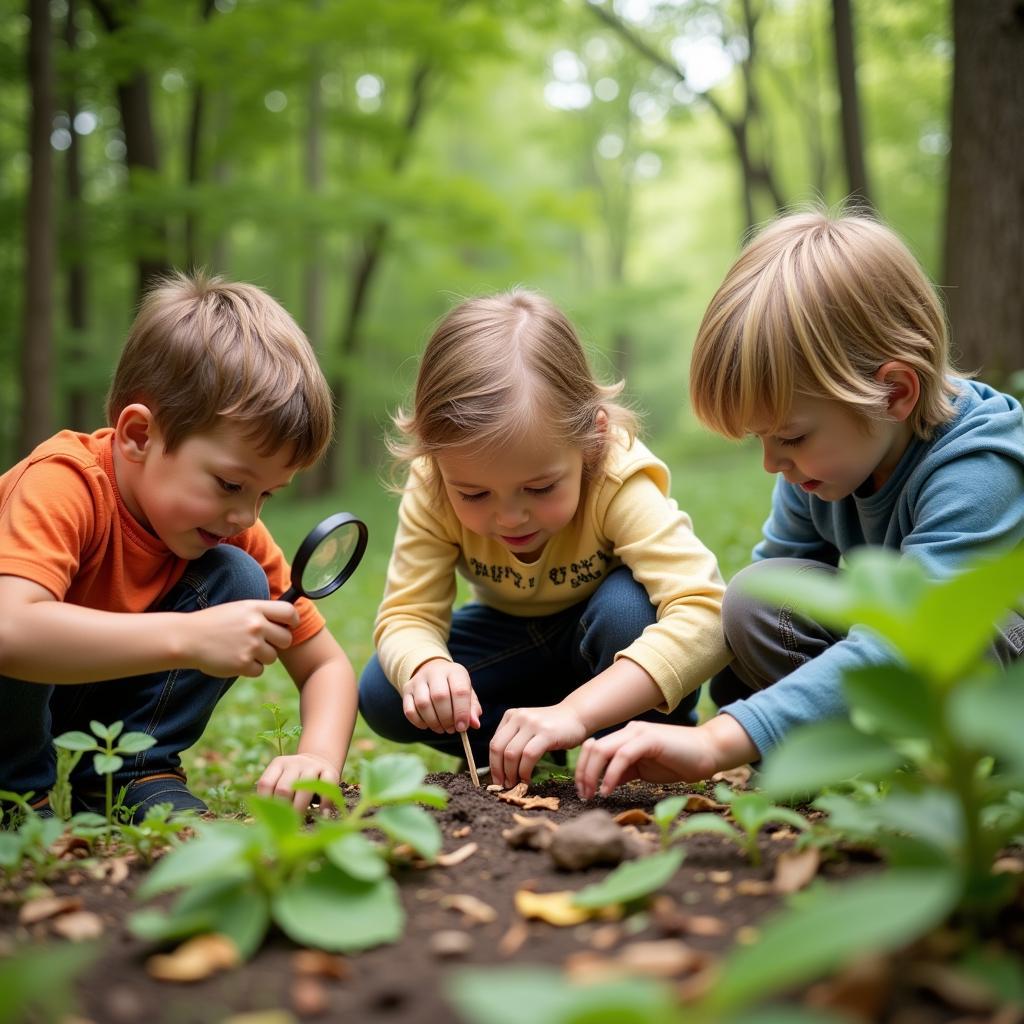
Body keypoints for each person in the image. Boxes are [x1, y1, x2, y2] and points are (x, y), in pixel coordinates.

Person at [575, 209, 1024, 800]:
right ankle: (846, 761)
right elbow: (752, 619)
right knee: (758, 597)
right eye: (761, 440)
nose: (772, 463)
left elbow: (917, 641)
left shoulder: (978, 466)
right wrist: (592, 709)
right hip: (902, 676)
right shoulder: (819, 470)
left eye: (790, 437)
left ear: (894, 392)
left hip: (994, 682)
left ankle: (930, 774)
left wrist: (718, 742)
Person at [0, 274, 358, 820]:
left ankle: (133, 772)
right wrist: (188, 636)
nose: (245, 515)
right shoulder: (62, 485)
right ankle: (17, 791)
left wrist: (317, 756)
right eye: (230, 484)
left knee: (238, 578)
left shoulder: (229, 527)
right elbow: (10, 633)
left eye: (266, 494)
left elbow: (325, 666)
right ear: (140, 435)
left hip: (71, 698)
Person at [358, 289, 730, 788]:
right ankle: (519, 746)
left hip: (610, 644)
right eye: (474, 494)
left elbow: (706, 613)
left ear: (592, 439)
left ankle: (642, 749)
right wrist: (427, 666)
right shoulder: (433, 487)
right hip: (514, 640)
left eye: (539, 488)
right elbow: (408, 614)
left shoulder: (618, 478)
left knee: (628, 613)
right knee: (386, 690)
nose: (510, 517)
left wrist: (576, 712)